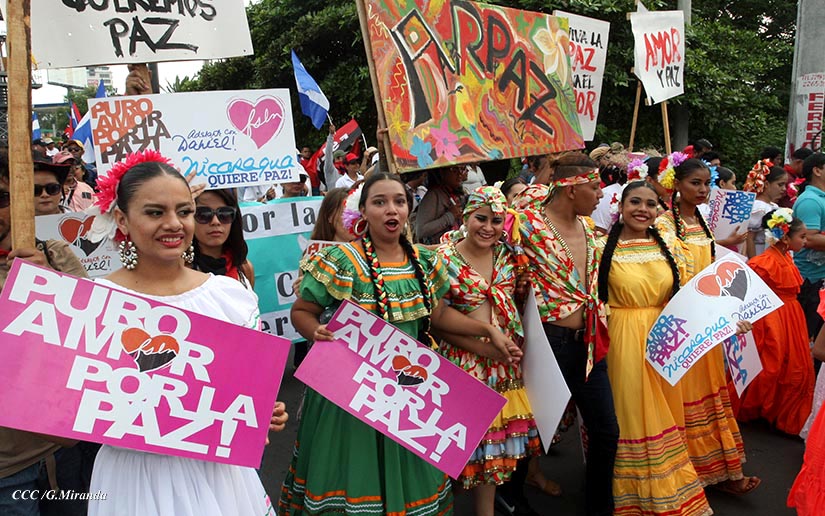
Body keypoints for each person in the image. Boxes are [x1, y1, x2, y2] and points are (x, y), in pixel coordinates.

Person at [280, 172, 518, 516]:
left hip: (406, 398)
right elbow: (302, 311)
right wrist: (314, 330)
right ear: (363, 211)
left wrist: (487, 332)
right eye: (380, 202)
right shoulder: (341, 262)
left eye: (399, 201)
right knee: (353, 479)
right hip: (349, 394)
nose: (391, 209)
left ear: (408, 209)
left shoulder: (424, 262)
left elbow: (438, 315)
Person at [84, 150, 287, 515]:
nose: (174, 224)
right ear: (122, 219)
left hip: (221, 475)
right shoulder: (94, 303)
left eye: (184, 211)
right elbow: (68, 409)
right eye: (155, 212)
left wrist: (260, 413)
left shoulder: (229, 297)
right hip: (137, 479)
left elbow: (242, 388)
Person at [513, 153, 617, 516]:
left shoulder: (588, 227)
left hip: (588, 343)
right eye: (595, 187)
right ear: (572, 188)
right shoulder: (526, 224)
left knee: (606, 430)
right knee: (533, 429)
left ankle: (599, 507)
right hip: (547, 342)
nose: (601, 195)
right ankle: (512, 501)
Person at [599, 181, 712, 516]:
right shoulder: (600, 247)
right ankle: (632, 495)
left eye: (650, 204)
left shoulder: (671, 244)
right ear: (620, 206)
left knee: (665, 411)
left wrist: (729, 320)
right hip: (623, 339)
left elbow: (691, 294)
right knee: (633, 413)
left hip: (665, 340)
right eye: (635, 202)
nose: (642, 209)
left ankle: (666, 490)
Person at [656, 156, 760, 495]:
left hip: (707, 317)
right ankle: (687, 474)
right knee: (684, 397)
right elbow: (672, 276)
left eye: (706, 183)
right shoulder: (664, 225)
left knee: (710, 392)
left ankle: (721, 470)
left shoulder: (701, 218)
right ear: (676, 184)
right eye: (695, 183)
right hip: (684, 320)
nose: (702, 190)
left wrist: (727, 309)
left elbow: (710, 266)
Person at [0, 153, 96, 516]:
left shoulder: (53, 254)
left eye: (3, 197)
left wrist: (49, 285)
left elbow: (90, 333)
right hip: (7, 469)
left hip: (60, 451)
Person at [436, 187, 540, 516]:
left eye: (496, 221)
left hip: (503, 364)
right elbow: (437, 321)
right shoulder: (444, 258)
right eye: (481, 218)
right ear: (466, 217)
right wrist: (486, 339)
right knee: (456, 448)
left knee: (493, 453)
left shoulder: (509, 257)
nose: (488, 227)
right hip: (463, 363)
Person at [734, 209, 814, 435]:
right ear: (786, 237)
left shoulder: (786, 257)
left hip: (790, 316)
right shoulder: (764, 262)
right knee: (771, 364)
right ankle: (761, 409)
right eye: (802, 236)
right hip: (771, 319)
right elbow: (746, 294)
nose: (806, 241)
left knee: (792, 365)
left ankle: (777, 413)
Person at [191, 188, 255, 288]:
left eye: (225, 214)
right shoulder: (178, 272)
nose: (215, 221)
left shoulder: (245, 269)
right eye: (203, 214)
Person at [793, 152, 825, 350]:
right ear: (817, 171)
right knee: (809, 340)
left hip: (819, 279)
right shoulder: (811, 201)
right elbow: (809, 239)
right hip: (810, 281)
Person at [744, 161, 788, 257]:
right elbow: (749, 239)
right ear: (767, 184)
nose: (784, 189)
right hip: (759, 254)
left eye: (785, 185)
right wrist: (754, 262)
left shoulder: (773, 206)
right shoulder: (759, 208)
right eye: (780, 184)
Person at [416, 165, 466, 244]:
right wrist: (450, 216)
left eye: (462, 169)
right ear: (442, 172)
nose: (460, 174)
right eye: (454, 170)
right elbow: (421, 231)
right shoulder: (433, 195)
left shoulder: (457, 193)